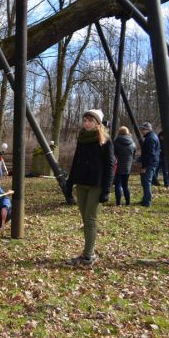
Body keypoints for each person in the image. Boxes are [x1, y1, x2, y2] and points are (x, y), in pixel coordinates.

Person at [65, 109, 115, 266]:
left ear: (97, 123)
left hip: (96, 185)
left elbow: (110, 166)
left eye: (90, 120)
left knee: (90, 219)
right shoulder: (81, 138)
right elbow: (76, 161)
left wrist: (106, 190)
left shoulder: (105, 141)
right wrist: (69, 183)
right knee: (85, 220)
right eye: (84, 120)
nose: (86, 123)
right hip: (81, 184)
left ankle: (88, 255)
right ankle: (88, 252)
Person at [137, 122, 160, 207]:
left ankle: (147, 202)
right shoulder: (152, 136)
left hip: (149, 164)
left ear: (147, 129)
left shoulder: (150, 139)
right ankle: (145, 200)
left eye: (143, 129)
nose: (142, 131)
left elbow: (150, 154)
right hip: (152, 163)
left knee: (146, 183)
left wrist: (144, 167)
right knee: (146, 182)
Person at [113, 126, 136, 206]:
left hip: (118, 166)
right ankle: (127, 202)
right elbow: (133, 155)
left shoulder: (116, 142)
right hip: (127, 167)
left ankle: (118, 203)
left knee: (118, 185)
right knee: (125, 185)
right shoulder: (133, 143)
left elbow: (113, 154)